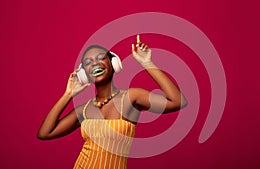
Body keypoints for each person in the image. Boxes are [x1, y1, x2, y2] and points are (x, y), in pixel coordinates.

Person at [37, 35, 188, 169]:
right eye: (88, 62)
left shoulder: (130, 98)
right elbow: (45, 133)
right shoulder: (84, 109)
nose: (95, 63)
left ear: (114, 64)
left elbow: (177, 101)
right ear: (85, 75)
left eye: (101, 57)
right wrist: (68, 94)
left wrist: (147, 63)